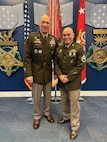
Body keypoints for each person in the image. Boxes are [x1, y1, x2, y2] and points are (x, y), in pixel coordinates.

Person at [23, 14, 58, 129]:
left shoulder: (53, 39)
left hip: (48, 72)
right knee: (37, 97)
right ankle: (37, 116)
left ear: (50, 25)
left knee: (48, 96)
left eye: (47, 23)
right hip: (36, 72)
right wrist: (28, 74)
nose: (45, 25)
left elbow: (56, 58)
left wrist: (56, 73)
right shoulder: (32, 37)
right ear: (39, 23)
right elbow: (27, 57)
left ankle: (47, 113)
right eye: (43, 22)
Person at [54, 27, 86, 139]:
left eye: (69, 35)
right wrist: (60, 75)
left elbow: (81, 64)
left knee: (74, 105)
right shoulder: (59, 48)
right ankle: (66, 117)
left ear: (73, 35)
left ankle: (75, 127)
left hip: (73, 82)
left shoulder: (78, 48)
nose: (67, 37)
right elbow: (56, 63)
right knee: (64, 102)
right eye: (64, 35)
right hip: (62, 81)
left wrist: (69, 77)